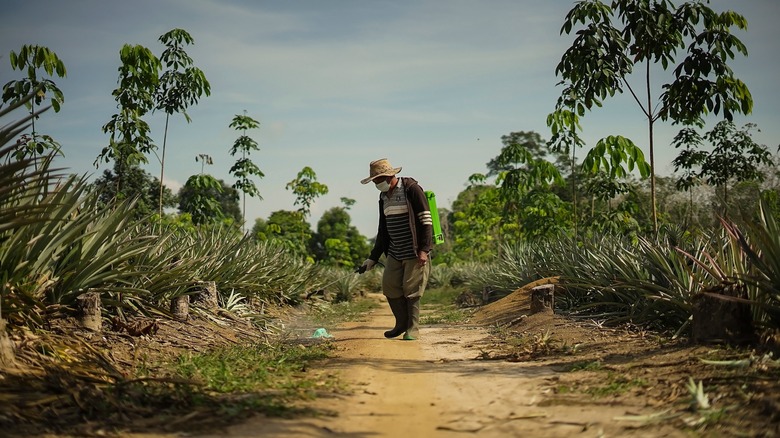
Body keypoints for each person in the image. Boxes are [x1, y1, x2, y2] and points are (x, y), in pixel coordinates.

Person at [359, 158, 433, 340]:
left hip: (414, 250)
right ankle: (401, 324)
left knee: (412, 290)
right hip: (394, 251)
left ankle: (412, 328)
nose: (376, 184)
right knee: (390, 286)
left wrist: (424, 249)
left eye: (378, 180)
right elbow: (382, 230)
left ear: (390, 175)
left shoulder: (411, 189)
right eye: (374, 181)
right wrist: (373, 258)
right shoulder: (383, 197)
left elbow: (426, 220)